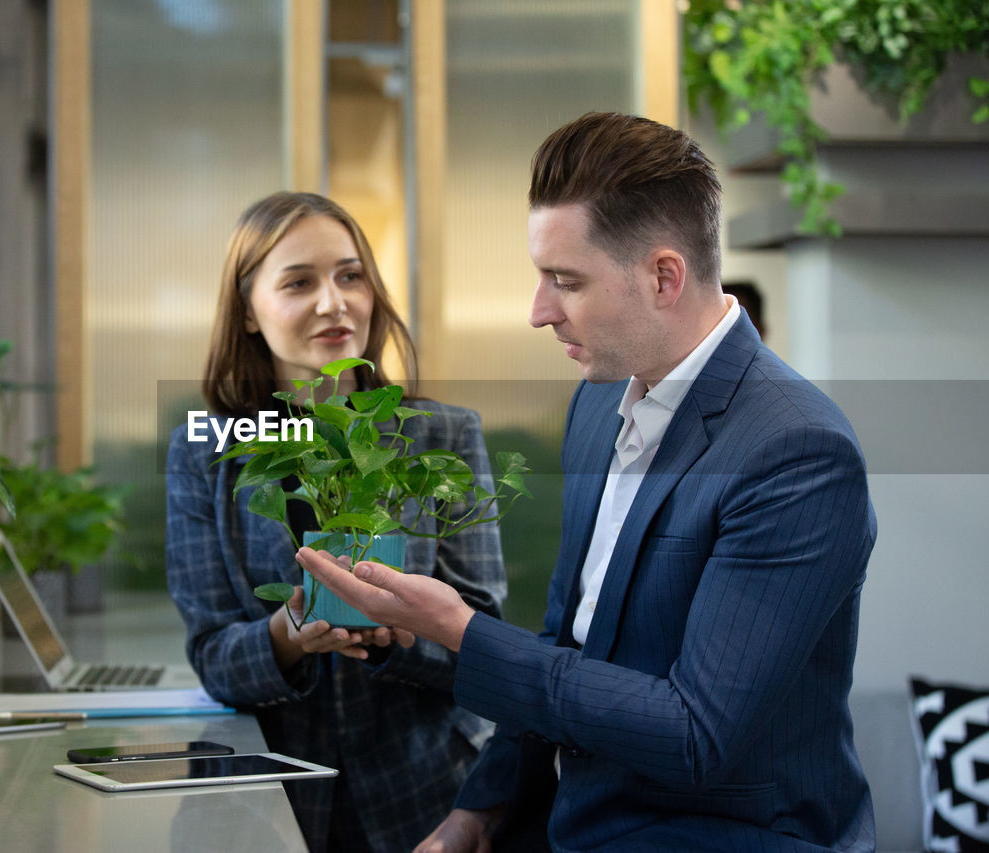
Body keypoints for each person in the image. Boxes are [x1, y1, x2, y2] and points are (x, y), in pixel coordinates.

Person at [297, 113, 877, 851]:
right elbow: (565, 644)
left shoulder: (797, 451)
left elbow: (695, 733)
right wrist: (481, 809)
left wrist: (462, 630)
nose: (539, 311)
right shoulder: (601, 399)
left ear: (664, 276)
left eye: (565, 281)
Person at [164, 191, 508, 852]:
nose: (334, 301)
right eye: (298, 282)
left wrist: (395, 626)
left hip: (427, 797)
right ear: (246, 311)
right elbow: (213, 656)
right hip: (269, 802)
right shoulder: (204, 452)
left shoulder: (441, 434)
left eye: (351, 275)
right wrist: (290, 631)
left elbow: (483, 634)